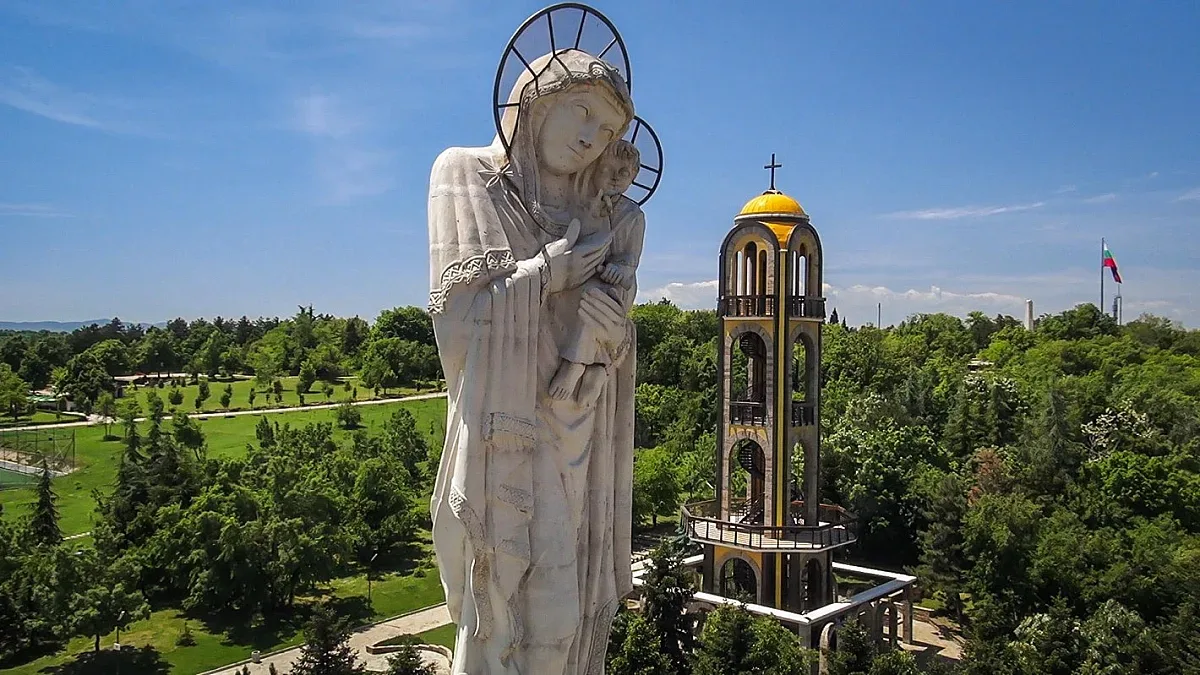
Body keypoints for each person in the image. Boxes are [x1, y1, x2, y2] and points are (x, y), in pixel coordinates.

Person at [427, 49, 641, 675]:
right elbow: (454, 321)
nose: (590, 138)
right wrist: (545, 276)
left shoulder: (606, 212)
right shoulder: (464, 175)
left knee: (568, 614)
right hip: (503, 440)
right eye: (582, 112)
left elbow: (616, 332)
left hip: (579, 425)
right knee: (512, 613)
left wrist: (610, 338)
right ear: (538, 101)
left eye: (606, 131)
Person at [548, 139, 644, 403]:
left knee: (592, 298)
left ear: (633, 178)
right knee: (570, 295)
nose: (615, 178)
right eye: (608, 170)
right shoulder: (581, 205)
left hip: (615, 286)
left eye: (623, 174)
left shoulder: (633, 215)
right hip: (579, 275)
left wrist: (618, 269)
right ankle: (600, 368)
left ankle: (574, 366)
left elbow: (630, 262)